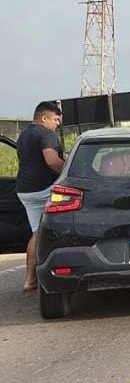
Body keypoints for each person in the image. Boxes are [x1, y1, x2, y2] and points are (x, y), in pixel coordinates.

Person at [17, 102, 65, 291]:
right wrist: (68, 173)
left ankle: (30, 279)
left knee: (37, 233)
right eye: (55, 120)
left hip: (25, 190)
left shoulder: (24, 135)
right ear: (44, 119)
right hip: (45, 188)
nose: (57, 124)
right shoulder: (45, 133)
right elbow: (52, 161)